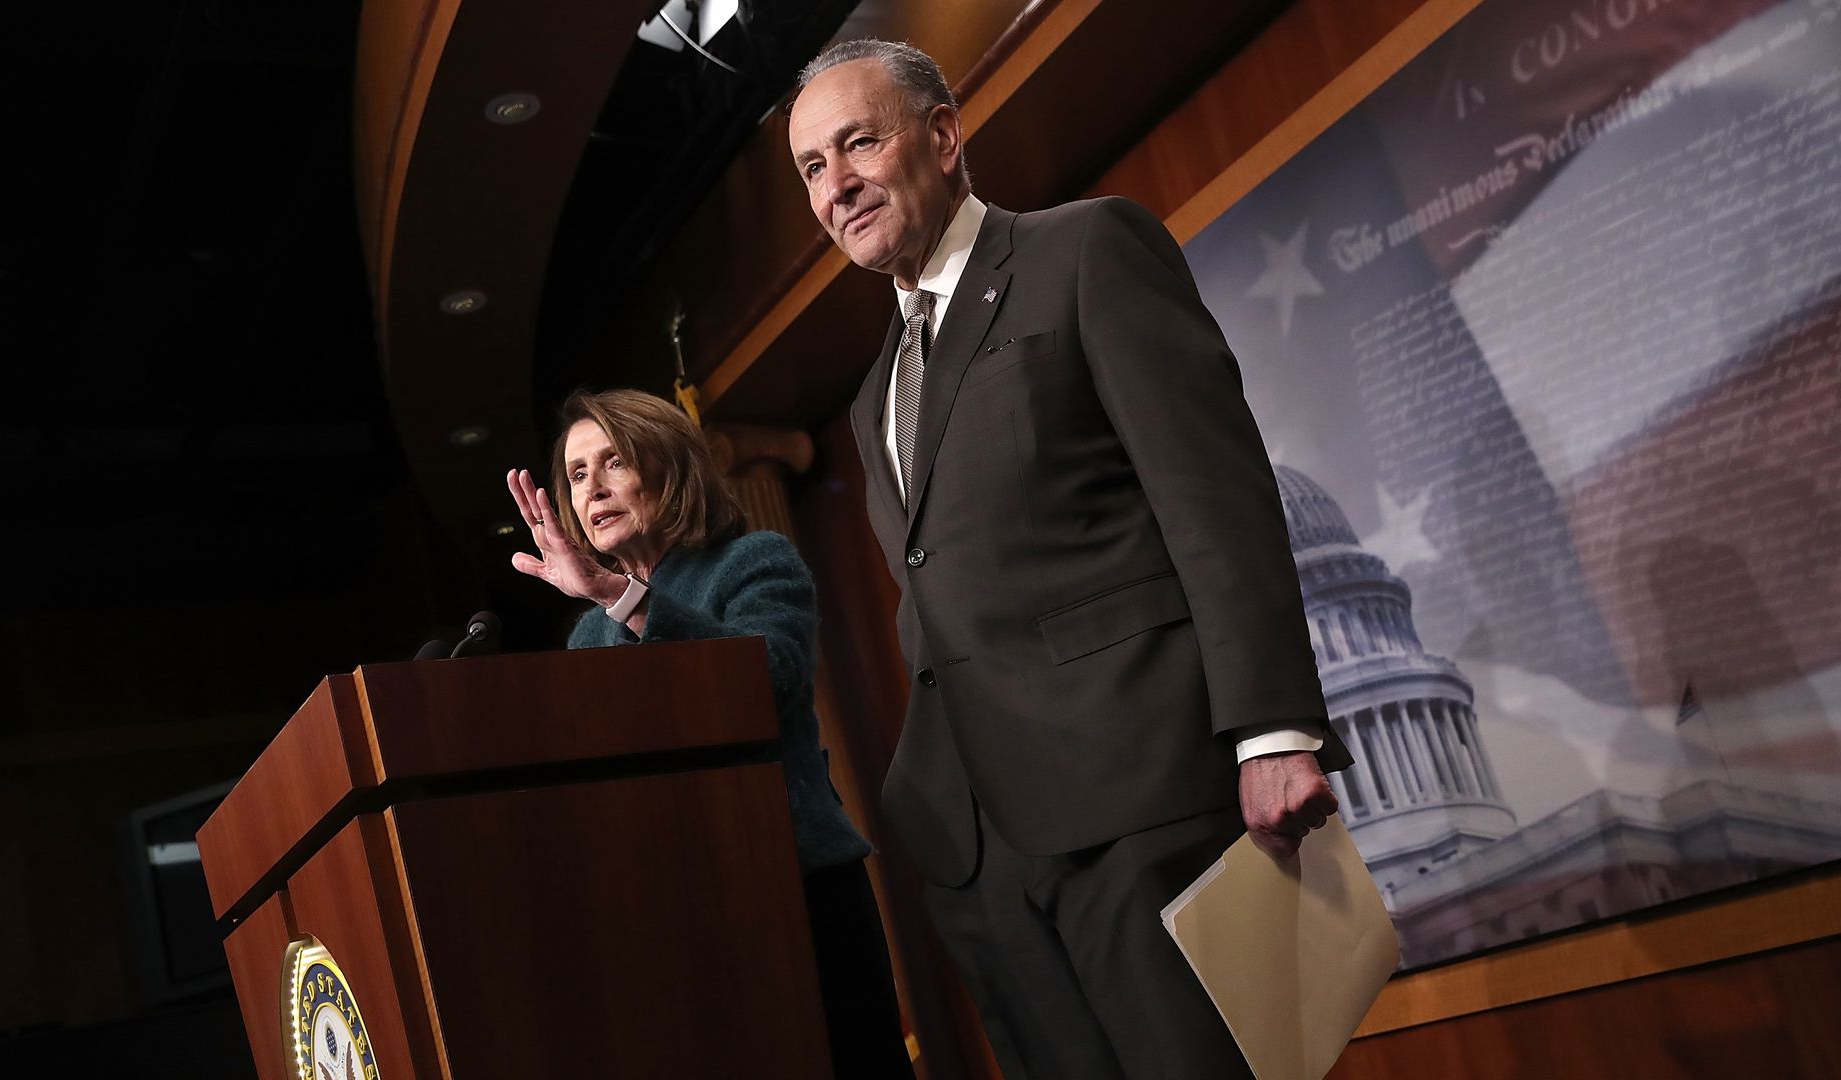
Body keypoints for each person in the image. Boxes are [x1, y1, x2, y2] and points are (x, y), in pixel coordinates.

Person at [785, 40, 1354, 1080]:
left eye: (859, 143)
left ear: (943, 136)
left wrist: (1273, 731)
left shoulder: (1084, 252)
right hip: (980, 854)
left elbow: (1215, 499)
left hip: (1137, 793)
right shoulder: (875, 398)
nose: (838, 186)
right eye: (813, 168)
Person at [505, 388, 913, 1080]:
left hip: (794, 887)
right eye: (576, 474)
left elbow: (764, 679)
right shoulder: (589, 637)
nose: (592, 488)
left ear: (669, 469)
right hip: (670, 913)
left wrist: (618, 596)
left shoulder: (752, 562)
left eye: (613, 462)